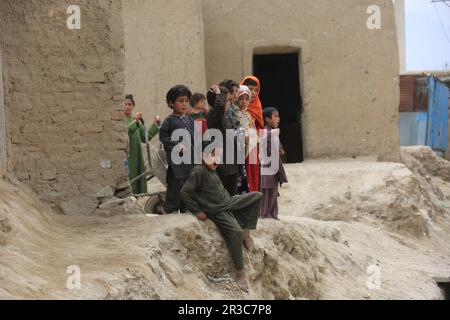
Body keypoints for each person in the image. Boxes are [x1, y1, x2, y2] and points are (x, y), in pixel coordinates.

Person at [180, 147, 262, 293]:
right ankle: (240, 272)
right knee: (235, 232)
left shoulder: (212, 170)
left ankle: (246, 231)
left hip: (229, 202)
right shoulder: (199, 171)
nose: (217, 160)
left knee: (256, 196)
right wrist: (197, 211)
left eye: (219, 156)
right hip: (217, 210)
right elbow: (185, 192)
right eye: (213, 156)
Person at [159, 85, 195, 214]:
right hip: (176, 164)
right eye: (180, 101)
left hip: (190, 163)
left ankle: (186, 209)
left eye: (186, 101)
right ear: (171, 103)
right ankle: (172, 210)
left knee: (189, 187)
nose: (184, 104)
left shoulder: (189, 119)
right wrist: (176, 146)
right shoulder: (169, 121)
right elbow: (163, 137)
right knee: (175, 187)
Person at [123, 94, 160, 194]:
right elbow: (129, 130)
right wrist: (136, 121)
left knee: (137, 177)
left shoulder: (135, 121)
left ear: (133, 106)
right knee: (129, 177)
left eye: (129, 104)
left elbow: (145, 138)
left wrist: (155, 125)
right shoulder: (121, 121)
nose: (127, 106)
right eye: (125, 104)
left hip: (137, 156)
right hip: (128, 157)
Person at [206, 85, 240, 196]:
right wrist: (219, 94)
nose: (230, 103)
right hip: (222, 166)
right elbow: (219, 108)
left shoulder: (226, 116)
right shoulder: (213, 116)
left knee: (232, 195)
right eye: (227, 100)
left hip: (232, 165)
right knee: (223, 196)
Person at [260, 107, 288, 220]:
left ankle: (273, 214)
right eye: (275, 116)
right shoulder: (266, 133)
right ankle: (265, 214)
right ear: (267, 119)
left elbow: (279, 149)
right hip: (267, 167)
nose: (278, 119)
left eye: (278, 116)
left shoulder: (273, 133)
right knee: (267, 189)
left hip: (273, 167)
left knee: (273, 190)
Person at [240, 76, 263, 192]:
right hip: (241, 145)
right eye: (250, 89)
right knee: (243, 173)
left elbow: (260, 127)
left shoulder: (257, 105)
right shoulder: (238, 108)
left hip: (254, 144)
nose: (253, 93)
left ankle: (254, 197)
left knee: (254, 171)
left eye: (255, 89)